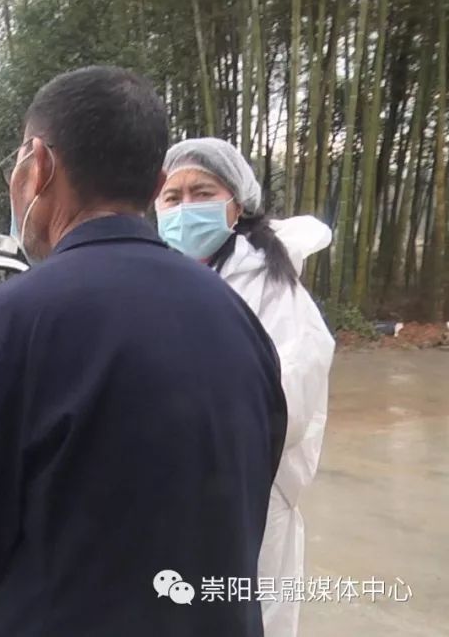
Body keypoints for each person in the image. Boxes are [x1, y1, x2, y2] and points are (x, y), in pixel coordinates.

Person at [0, 66, 287, 637]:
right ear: (156, 183)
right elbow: (248, 501)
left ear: (39, 165)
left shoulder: (3, 327)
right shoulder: (237, 318)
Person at [156, 137, 335, 637]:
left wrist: (192, 420)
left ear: (237, 204)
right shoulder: (161, 277)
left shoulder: (271, 285)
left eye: (202, 193)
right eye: (172, 197)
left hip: (246, 492)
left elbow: (289, 396)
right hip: (176, 495)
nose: (185, 208)